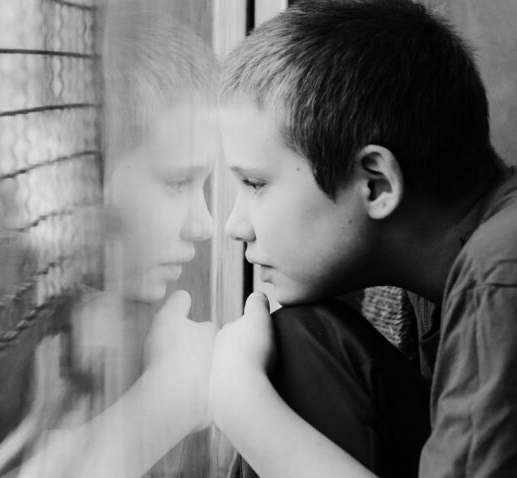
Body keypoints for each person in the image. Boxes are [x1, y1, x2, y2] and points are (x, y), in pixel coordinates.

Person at [209, 0, 517, 477]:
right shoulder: (450, 276)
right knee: (309, 338)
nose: (234, 226)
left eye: (255, 184)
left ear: (375, 184)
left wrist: (240, 401)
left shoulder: (499, 274)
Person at [0, 8, 220, 478]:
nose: (204, 224)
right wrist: (167, 404)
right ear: (79, 171)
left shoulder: (80, 314)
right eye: (177, 182)